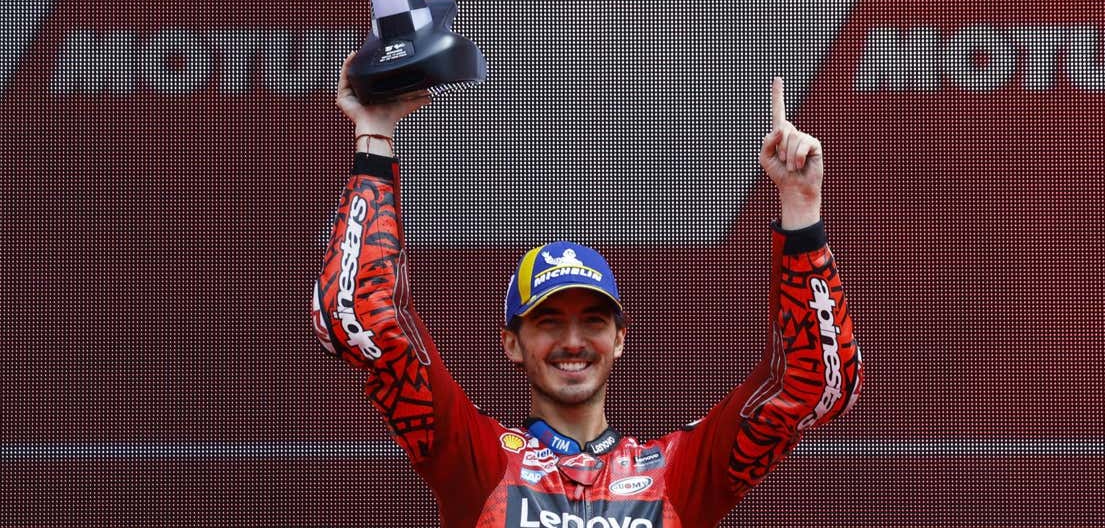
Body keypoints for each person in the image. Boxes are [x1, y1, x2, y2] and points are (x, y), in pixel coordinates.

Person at [309, 54, 863, 527]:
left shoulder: (678, 473)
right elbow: (358, 315)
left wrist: (800, 209)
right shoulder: (478, 461)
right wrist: (375, 138)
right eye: (548, 321)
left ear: (620, 339)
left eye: (593, 321)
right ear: (512, 342)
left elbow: (814, 387)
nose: (572, 340)